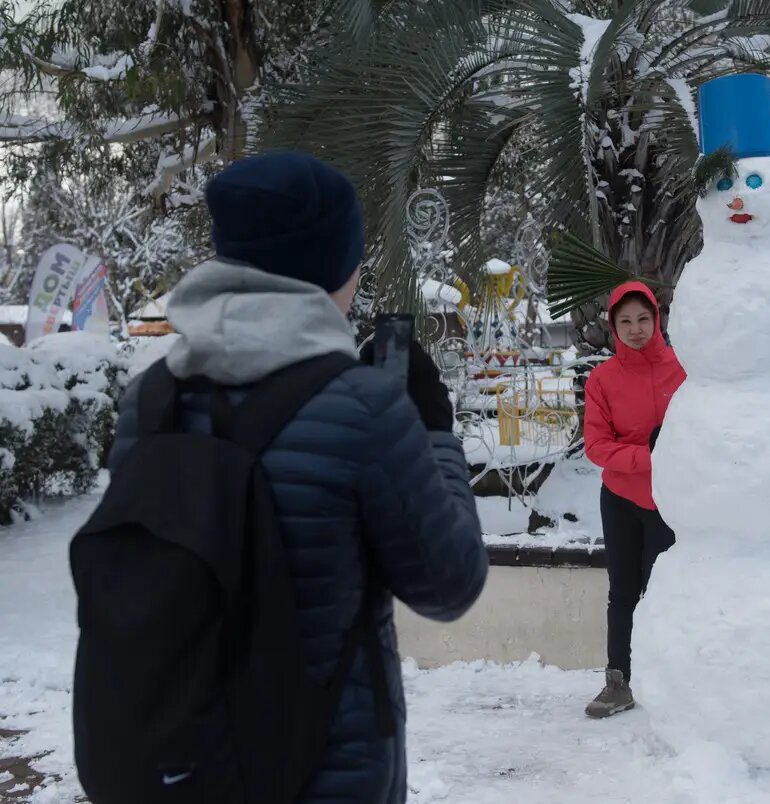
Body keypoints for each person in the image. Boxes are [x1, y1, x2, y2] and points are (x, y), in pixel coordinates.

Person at [107, 151, 488, 802]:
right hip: (322, 772)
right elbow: (449, 585)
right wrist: (432, 431)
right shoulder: (363, 406)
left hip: (184, 759)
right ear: (334, 267)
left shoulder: (147, 400)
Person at [582, 281, 686, 718]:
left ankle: (677, 680)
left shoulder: (684, 370)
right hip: (622, 498)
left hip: (670, 502)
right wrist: (648, 457)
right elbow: (596, 445)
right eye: (625, 321)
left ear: (657, 318)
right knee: (622, 591)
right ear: (613, 326)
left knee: (664, 592)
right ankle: (618, 681)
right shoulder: (602, 379)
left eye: (643, 319)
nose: (636, 329)